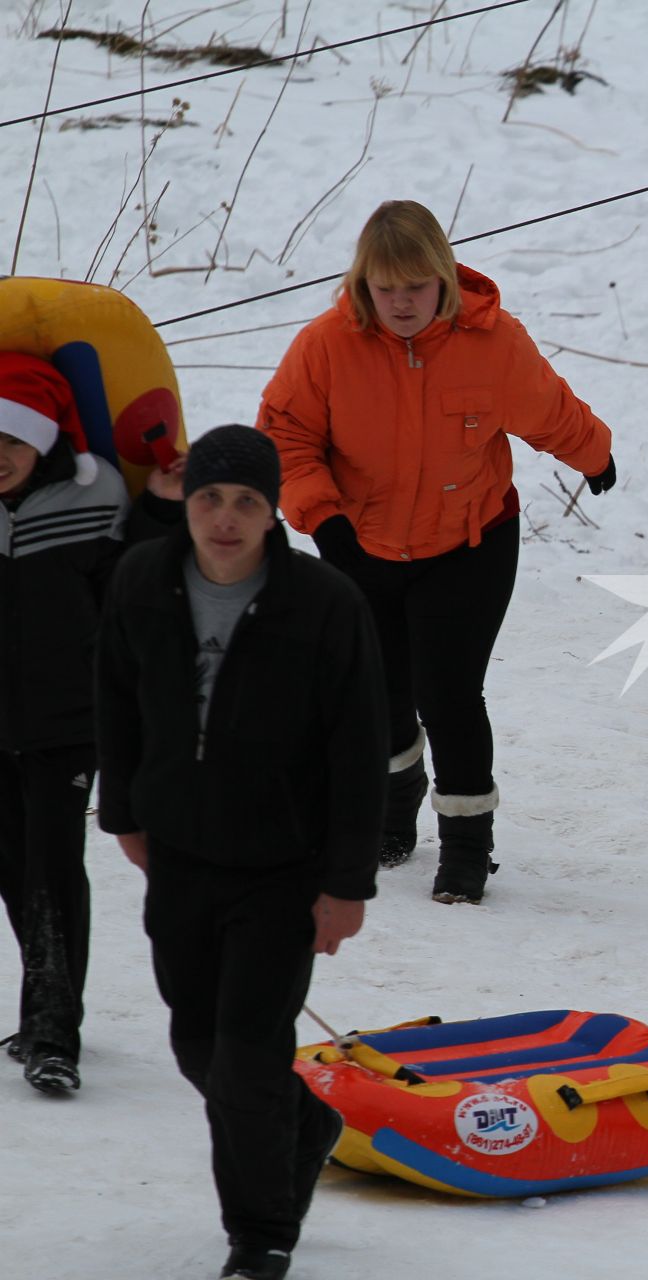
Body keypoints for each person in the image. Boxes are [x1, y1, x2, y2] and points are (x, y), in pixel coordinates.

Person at [259, 200, 615, 905]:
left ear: (443, 280)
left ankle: (466, 846)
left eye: (415, 288)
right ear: (364, 284)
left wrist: (594, 455)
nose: (400, 303)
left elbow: (548, 408)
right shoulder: (326, 346)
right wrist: (326, 523)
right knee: (380, 694)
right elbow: (286, 438)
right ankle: (394, 809)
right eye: (384, 288)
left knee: (448, 695)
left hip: (470, 543)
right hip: (361, 545)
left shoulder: (492, 341)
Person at [95, 425, 385, 1280]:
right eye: (211, 499)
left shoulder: (326, 604)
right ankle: (305, 1126)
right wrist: (126, 815)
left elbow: (358, 751)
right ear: (188, 503)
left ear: (273, 513)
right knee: (196, 1045)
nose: (225, 519)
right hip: (181, 851)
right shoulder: (143, 577)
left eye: (246, 503)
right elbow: (117, 697)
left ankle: (259, 1236)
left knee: (249, 1053)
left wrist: (345, 884)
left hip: (282, 866)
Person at [0, 352, 181, 1095]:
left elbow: (132, 588)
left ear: (42, 440)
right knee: (14, 867)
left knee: (50, 864)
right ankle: (46, 1002)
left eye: (9, 442)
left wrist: (161, 510)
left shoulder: (94, 494)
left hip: (66, 719)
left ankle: (54, 1032)